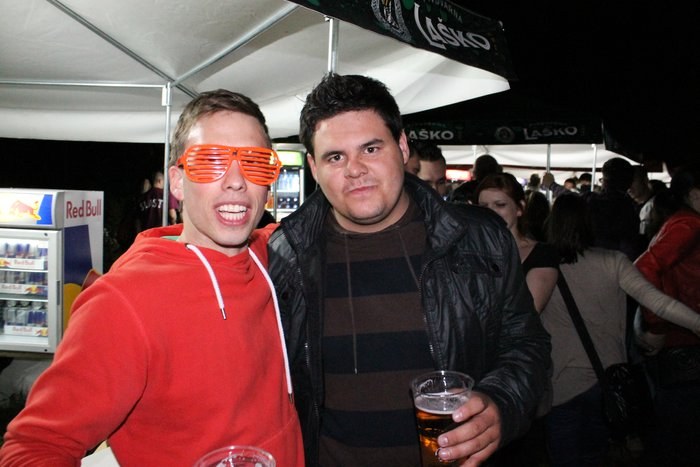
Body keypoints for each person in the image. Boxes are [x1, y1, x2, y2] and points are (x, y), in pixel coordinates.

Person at [0, 89, 304, 466]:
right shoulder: (123, 301)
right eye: (210, 162)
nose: (236, 181)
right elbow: (35, 447)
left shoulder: (270, 253)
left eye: (255, 163)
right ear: (176, 182)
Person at [267, 73, 551, 467]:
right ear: (313, 167)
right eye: (335, 157)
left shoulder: (478, 238)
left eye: (370, 148)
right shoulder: (284, 255)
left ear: (402, 147)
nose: (354, 169)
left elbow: (526, 345)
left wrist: (502, 403)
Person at [540, 193, 700, 467]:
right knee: (595, 454)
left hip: (558, 384)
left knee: (563, 455)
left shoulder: (540, 266)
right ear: (588, 223)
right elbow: (659, 303)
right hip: (608, 381)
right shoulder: (613, 261)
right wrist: (696, 323)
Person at [634, 164, 700, 467]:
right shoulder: (690, 224)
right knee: (680, 432)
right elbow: (645, 268)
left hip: (680, 339)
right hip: (684, 342)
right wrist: (656, 326)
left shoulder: (684, 221)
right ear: (694, 194)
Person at [476, 173, 558, 313]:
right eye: (484, 206)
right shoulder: (471, 251)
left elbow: (526, 313)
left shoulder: (542, 255)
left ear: (519, 208)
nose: (491, 212)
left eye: (500, 205)